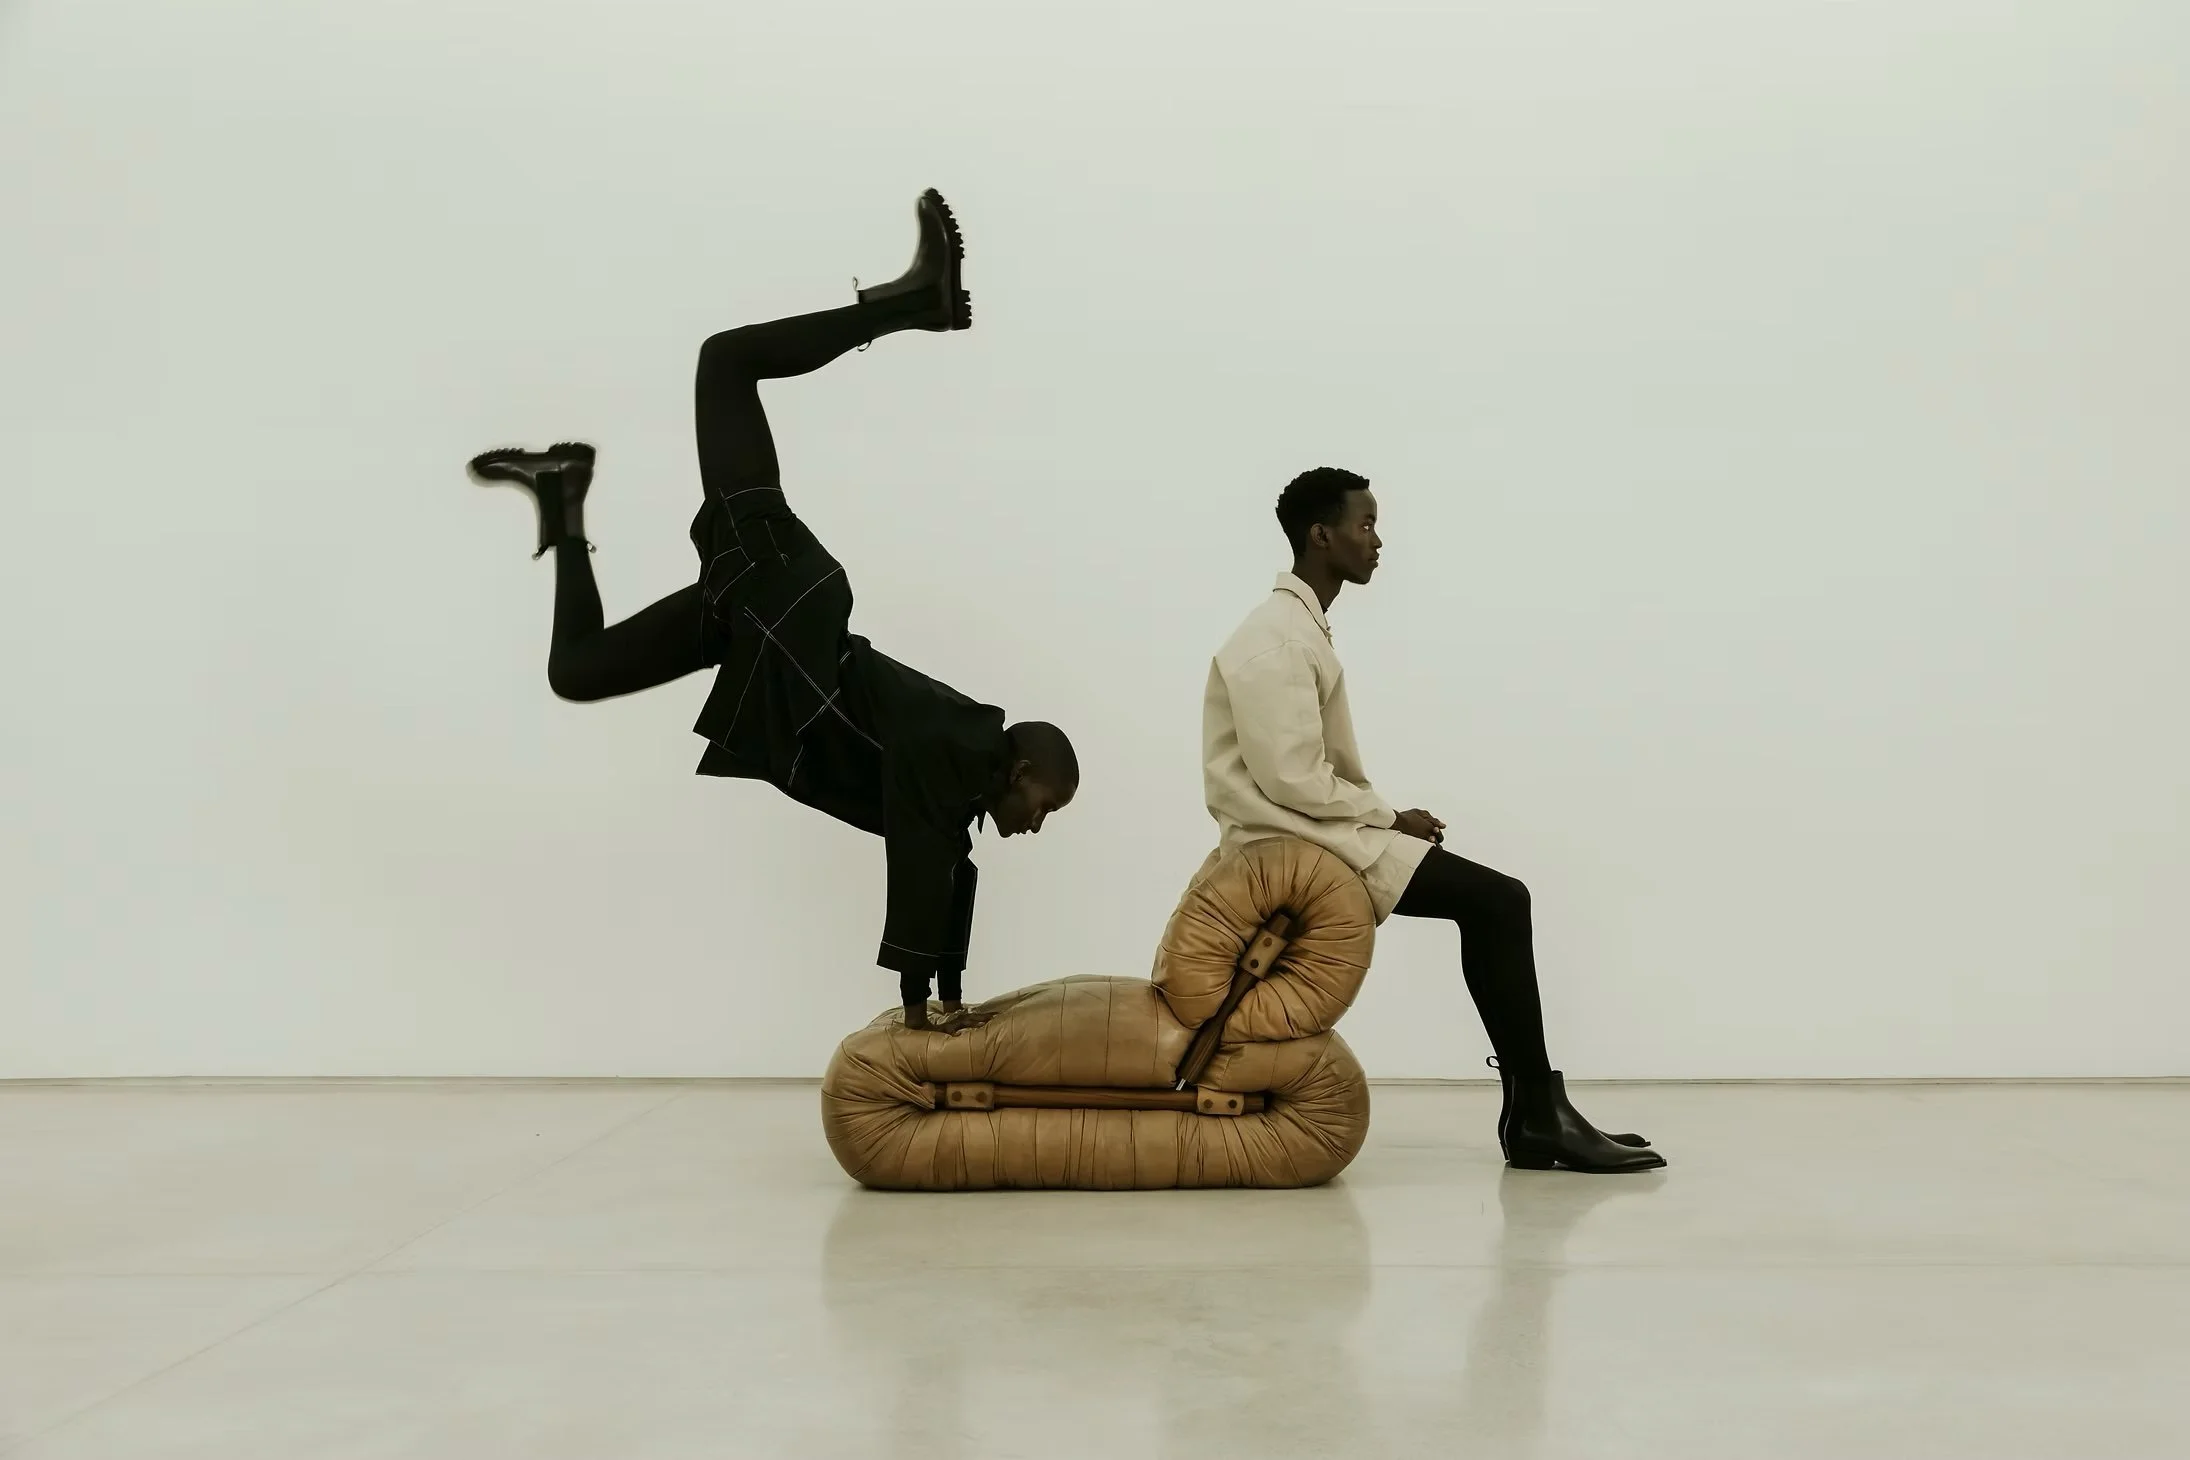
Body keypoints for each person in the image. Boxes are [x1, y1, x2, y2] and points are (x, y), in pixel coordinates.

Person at [466, 190, 1078, 1033]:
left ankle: (562, 496)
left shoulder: (953, 781)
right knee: (724, 362)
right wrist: (918, 1011)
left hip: (765, 630)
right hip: (787, 601)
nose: (1038, 825)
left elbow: (947, 872)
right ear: (1018, 773)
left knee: (577, 671)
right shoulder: (957, 752)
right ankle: (910, 304)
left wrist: (950, 998)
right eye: (1045, 804)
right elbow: (920, 871)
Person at [1202, 467, 1664, 1172]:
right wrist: (1388, 816)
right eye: (1365, 525)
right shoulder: (1277, 639)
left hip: (1314, 826)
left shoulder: (1296, 628)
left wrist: (1384, 818)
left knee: (1496, 904)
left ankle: (1535, 1112)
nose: (1378, 541)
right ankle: (1536, 1114)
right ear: (1321, 536)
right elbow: (1290, 778)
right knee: (1499, 902)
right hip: (1291, 840)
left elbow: (1299, 773)